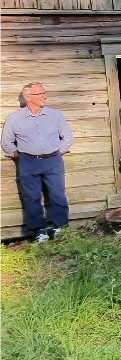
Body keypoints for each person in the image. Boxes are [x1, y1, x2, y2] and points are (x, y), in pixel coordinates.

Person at [2, 82, 72, 242]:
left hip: (53, 160)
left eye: (44, 93)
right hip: (28, 162)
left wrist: (56, 152)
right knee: (31, 196)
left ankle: (60, 227)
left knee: (57, 193)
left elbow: (67, 137)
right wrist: (19, 156)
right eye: (40, 94)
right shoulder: (15, 118)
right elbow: (6, 142)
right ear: (28, 97)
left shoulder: (55, 115)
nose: (44, 96)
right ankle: (39, 231)